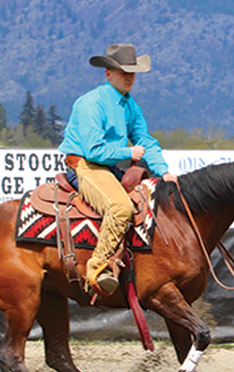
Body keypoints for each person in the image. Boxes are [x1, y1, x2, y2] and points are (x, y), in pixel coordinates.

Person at [58, 43, 177, 296]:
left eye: (132, 72)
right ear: (108, 73)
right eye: (123, 72)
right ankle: (96, 269)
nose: (129, 77)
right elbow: (93, 150)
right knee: (121, 207)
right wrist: (128, 153)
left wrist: (163, 171)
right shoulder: (90, 103)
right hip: (86, 165)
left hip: (109, 167)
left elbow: (145, 139)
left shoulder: (130, 105)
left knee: (148, 205)